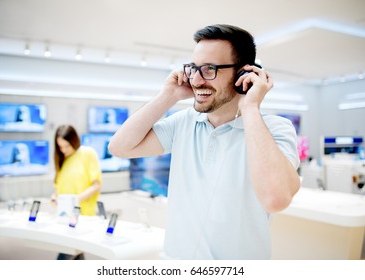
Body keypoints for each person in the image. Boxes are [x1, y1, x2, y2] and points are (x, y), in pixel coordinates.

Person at [108, 24, 300, 259]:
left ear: (243, 74)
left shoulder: (275, 128)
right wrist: (169, 95)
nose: (197, 80)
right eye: (194, 69)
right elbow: (119, 147)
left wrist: (250, 107)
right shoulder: (183, 123)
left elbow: (276, 198)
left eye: (209, 69)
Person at [52, 124, 102, 260]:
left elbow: (96, 185)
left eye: (66, 146)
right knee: (75, 254)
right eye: (60, 147)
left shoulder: (87, 154)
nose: (63, 150)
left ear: (74, 141)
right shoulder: (63, 159)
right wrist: (54, 197)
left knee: (67, 254)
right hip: (65, 215)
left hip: (82, 215)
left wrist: (74, 200)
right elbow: (59, 186)